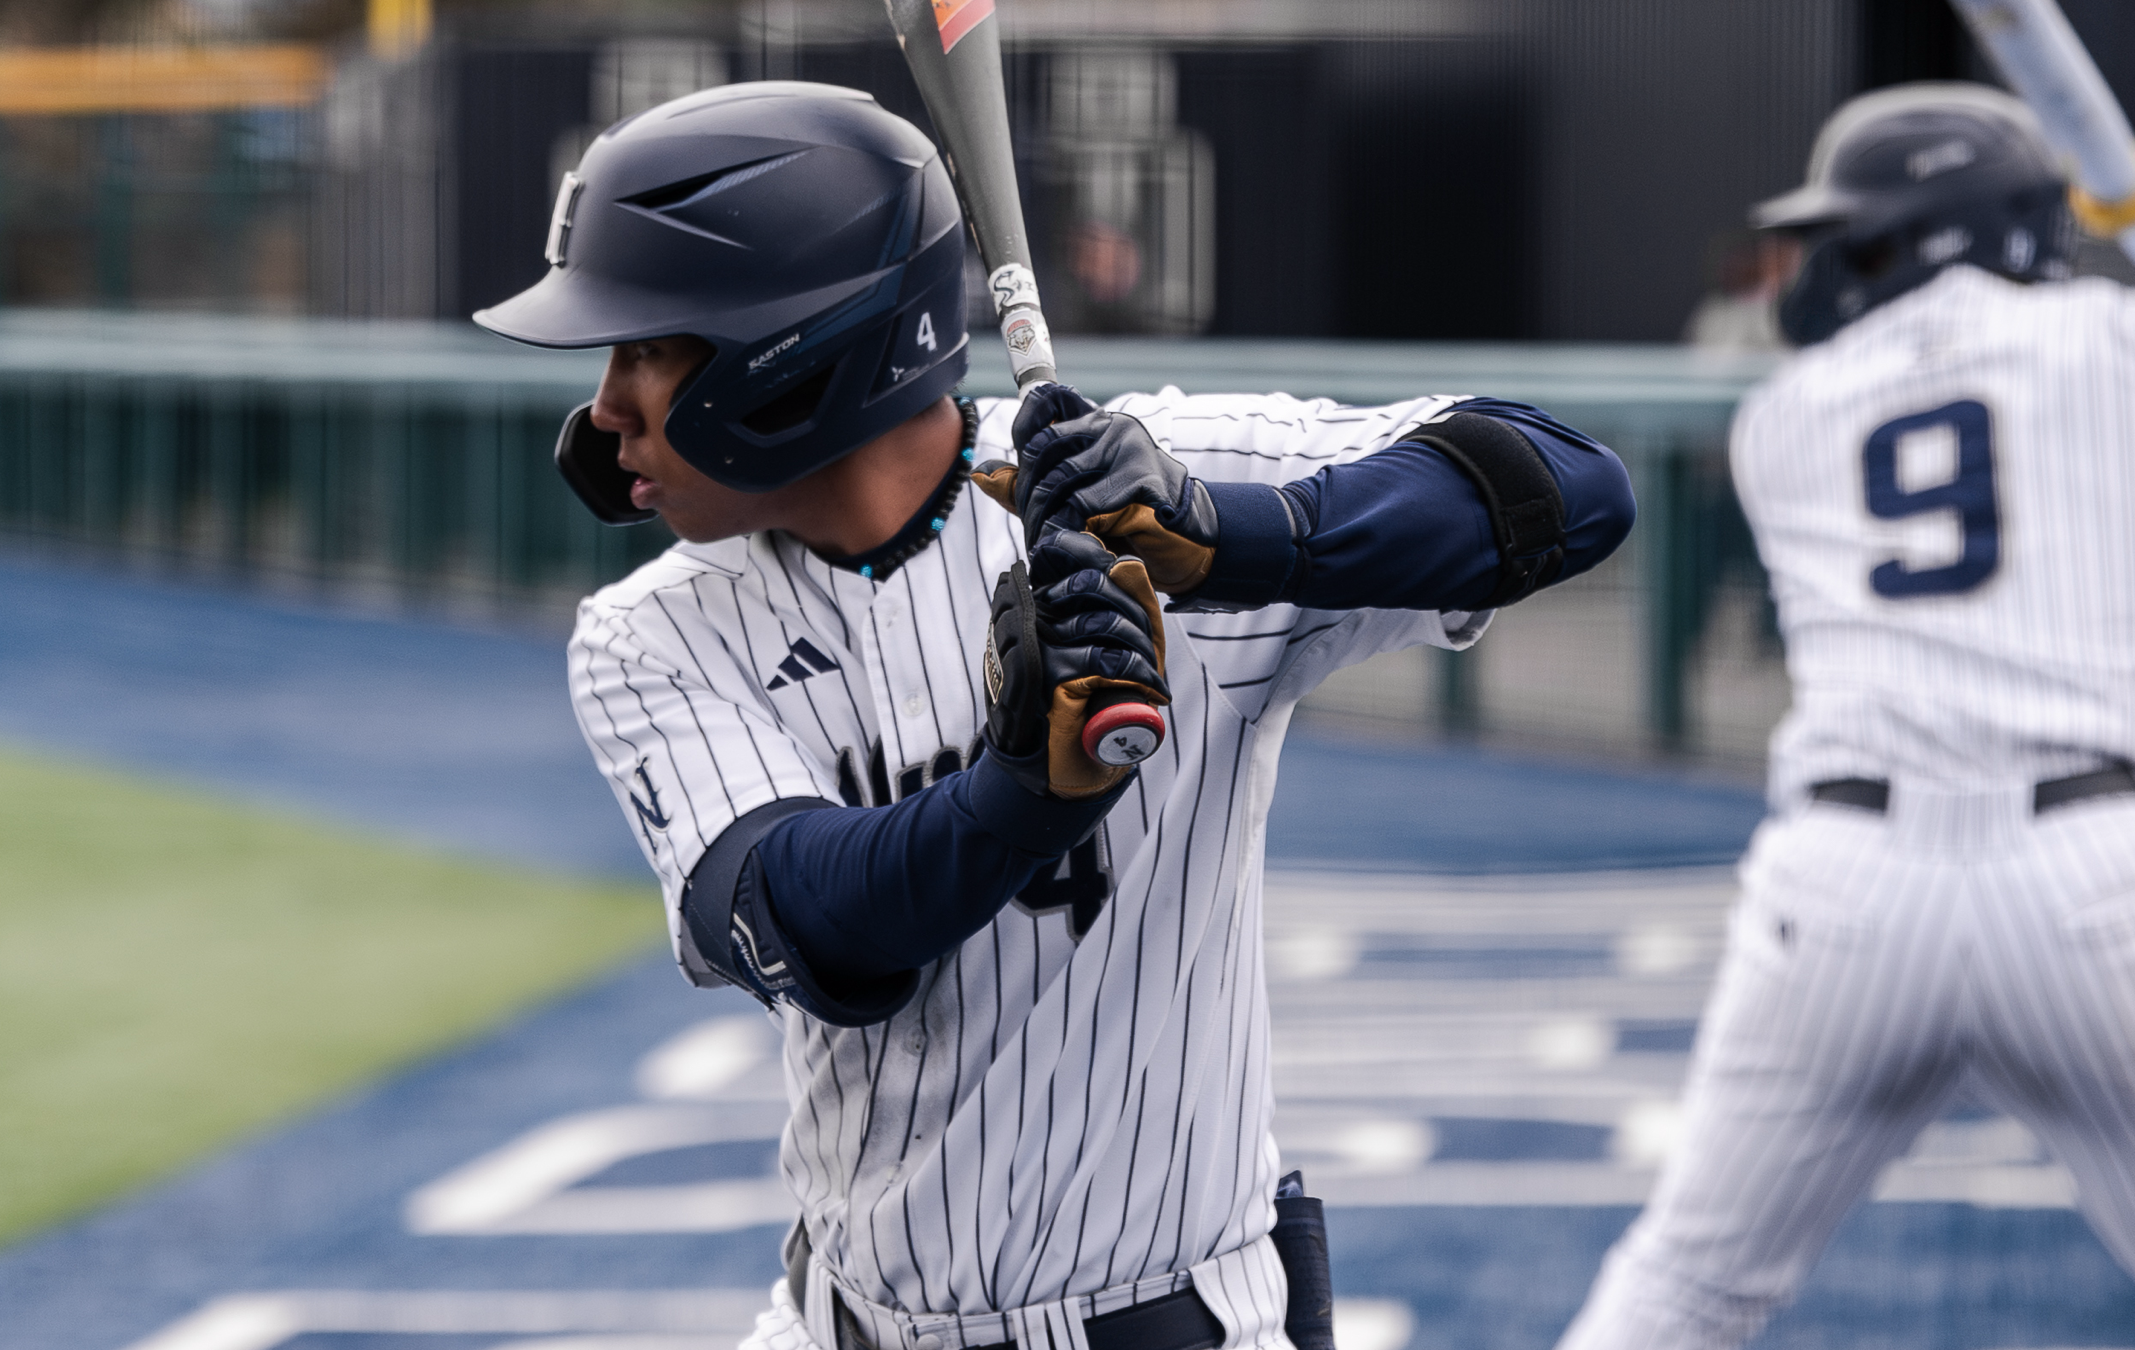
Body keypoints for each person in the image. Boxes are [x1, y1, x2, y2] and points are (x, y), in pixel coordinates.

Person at [476, 81, 1633, 1350]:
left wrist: (1232, 539)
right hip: (841, 1324)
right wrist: (1023, 796)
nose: (605, 409)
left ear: (792, 349)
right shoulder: (653, 633)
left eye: (645, 346)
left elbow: (1572, 491)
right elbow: (809, 927)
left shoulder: (1150, 474)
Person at [1556, 83, 2135, 1349]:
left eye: (1858, 235)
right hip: (2095, 880)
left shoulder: (1786, 418)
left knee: (1688, 1287)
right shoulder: (2108, 340)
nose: (1823, 265)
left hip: (1846, 892)